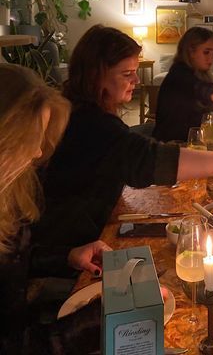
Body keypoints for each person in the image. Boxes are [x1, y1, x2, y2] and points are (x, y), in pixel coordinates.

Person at [35, 25, 213, 248]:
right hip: (69, 244)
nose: (136, 80)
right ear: (97, 75)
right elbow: (150, 161)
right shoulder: (90, 122)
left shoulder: (81, 109)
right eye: (126, 74)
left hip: (84, 234)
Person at [0, 64, 111, 354]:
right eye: (30, 138)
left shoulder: (8, 194)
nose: (38, 152)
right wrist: (94, 321)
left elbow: (12, 259)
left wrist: (67, 256)